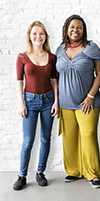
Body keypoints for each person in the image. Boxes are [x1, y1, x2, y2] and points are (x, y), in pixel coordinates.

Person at [56, 14, 100, 188]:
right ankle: (74, 171)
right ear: (66, 29)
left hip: (88, 103)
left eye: (79, 27)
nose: (75, 30)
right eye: (72, 27)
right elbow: (55, 77)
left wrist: (90, 96)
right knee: (69, 139)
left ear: (84, 30)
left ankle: (93, 174)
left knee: (88, 137)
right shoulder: (60, 50)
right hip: (65, 104)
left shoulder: (91, 48)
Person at [13, 21, 58, 190]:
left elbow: (54, 81)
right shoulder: (22, 57)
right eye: (34, 34)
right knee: (28, 141)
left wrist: (56, 102)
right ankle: (22, 175)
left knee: (46, 138)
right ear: (30, 36)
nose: (38, 36)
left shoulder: (51, 57)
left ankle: (40, 172)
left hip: (48, 101)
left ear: (45, 36)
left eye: (41, 34)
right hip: (29, 102)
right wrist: (21, 103)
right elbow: (19, 81)